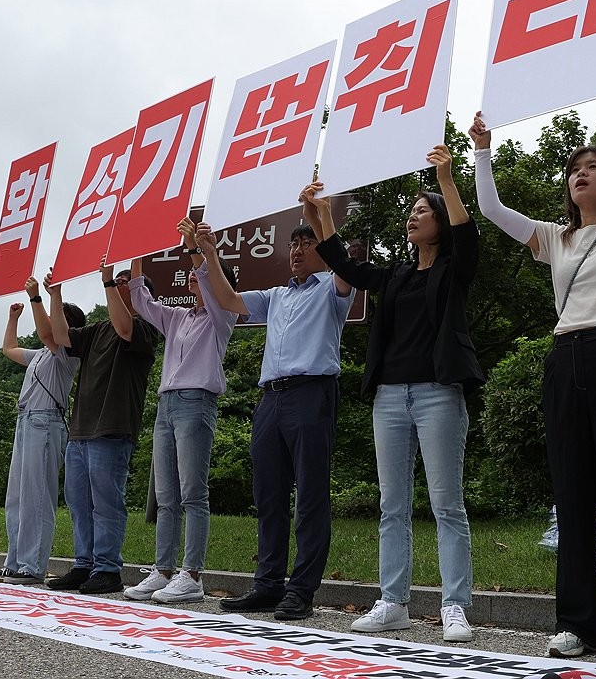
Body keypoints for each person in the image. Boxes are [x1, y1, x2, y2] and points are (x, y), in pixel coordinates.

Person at [468, 65, 596, 664]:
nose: (580, 174)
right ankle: (579, 624)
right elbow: (491, 207)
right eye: (574, 169)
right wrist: (483, 151)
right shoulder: (553, 239)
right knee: (574, 494)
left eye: (593, 166)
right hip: (565, 360)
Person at [298, 144, 484, 642]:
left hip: (438, 394)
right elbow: (348, 266)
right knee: (392, 505)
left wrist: (444, 178)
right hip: (389, 398)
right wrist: (318, 214)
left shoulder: (453, 269)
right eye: (410, 212)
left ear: (440, 221)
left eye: (422, 211)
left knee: (447, 504)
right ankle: (393, 602)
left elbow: (468, 237)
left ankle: (455, 606)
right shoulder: (397, 274)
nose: (412, 217)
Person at [195, 216, 354, 621]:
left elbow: (344, 268)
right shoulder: (277, 295)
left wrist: (318, 215)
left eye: (307, 242)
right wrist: (210, 254)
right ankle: (268, 584)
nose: (297, 250)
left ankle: (301, 590)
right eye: (294, 243)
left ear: (323, 249)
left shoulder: (334, 288)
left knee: (311, 497)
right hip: (271, 399)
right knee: (268, 495)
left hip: (312, 393)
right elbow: (229, 300)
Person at [122, 218, 240, 604]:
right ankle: (163, 570)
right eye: (191, 278)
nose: (192, 280)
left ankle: (192, 574)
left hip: (195, 403)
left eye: (197, 278)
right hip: (167, 404)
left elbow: (209, 279)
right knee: (165, 493)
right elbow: (140, 300)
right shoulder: (177, 318)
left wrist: (197, 249)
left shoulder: (222, 318)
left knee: (193, 492)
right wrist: (137, 252)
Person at [43, 262, 160, 595]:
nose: (119, 284)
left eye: (126, 281)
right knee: (79, 501)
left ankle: (108, 568)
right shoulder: (97, 329)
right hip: (81, 429)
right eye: (118, 281)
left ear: (140, 293)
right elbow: (60, 336)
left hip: (112, 427)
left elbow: (125, 328)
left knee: (107, 501)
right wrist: (55, 294)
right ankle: (85, 564)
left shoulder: (145, 327)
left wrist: (109, 281)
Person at [0, 277, 84, 584]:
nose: (50, 323)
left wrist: (38, 298)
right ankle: (14, 562)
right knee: (17, 496)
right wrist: (12, 319)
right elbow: (9, 348)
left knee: (37, 497)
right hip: (26, 421)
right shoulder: (42, 355)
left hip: (45, 423)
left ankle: (32, 566)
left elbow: (48, 331)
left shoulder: (66, 352)